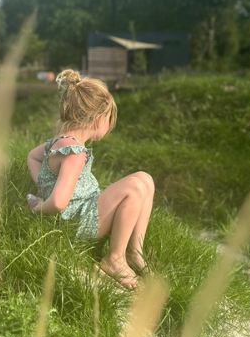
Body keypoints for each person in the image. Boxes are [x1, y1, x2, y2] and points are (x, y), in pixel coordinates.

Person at [26, 69, 154, 290]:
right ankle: (115, 259)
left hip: (80, 215)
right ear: (97, 119)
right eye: (108, 120)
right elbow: (58, 203)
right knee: (135, 186)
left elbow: (32, 157)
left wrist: (44, 186)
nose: (108, 127)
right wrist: (42, 205)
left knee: (145, 179)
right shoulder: (75, 153)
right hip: (81, 224)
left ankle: (135, 252)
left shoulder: (59, 141)